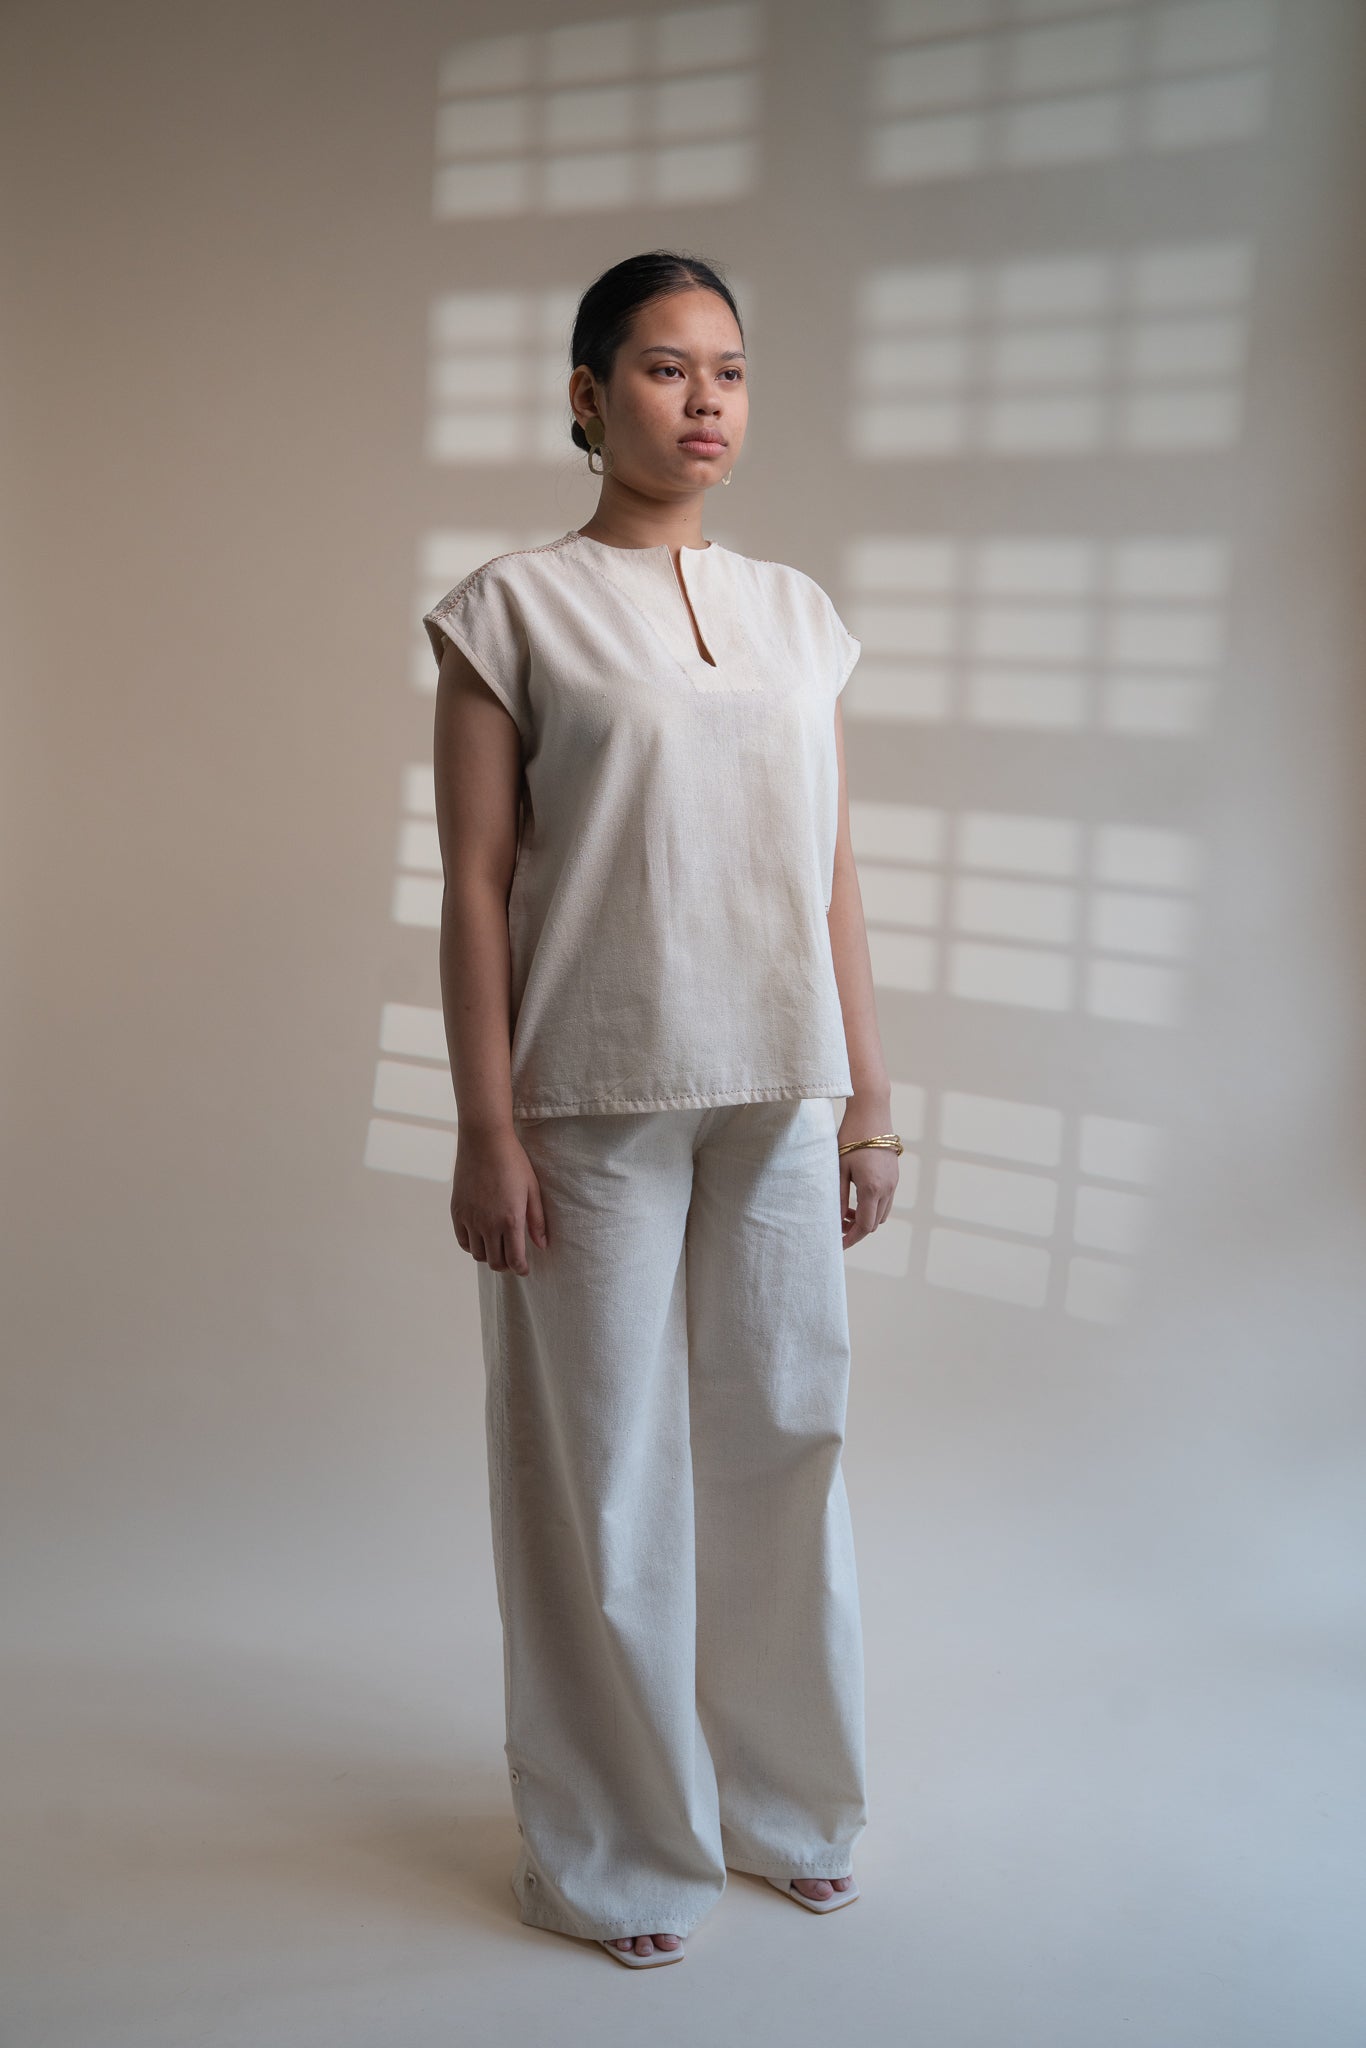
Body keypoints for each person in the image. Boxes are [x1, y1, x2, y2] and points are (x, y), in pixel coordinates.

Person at [425, 250, 900, 1970]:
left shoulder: (798, 618)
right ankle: (617, 1857)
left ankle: (787, 1811)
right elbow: (475, 884)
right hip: (588, 1101)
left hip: (778, 1087)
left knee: (786, 1449)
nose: (704, 401)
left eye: (729, 371)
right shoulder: (509, 612)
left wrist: (868, 1098)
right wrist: (486, 1127)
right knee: (602, 1485)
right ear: (585, 395)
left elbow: (829, 878)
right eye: (662, 368)